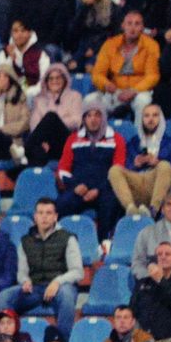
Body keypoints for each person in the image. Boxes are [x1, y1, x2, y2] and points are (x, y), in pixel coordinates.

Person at [0, 198, 81, 341]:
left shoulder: (68, 238)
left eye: (48, 213)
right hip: (35, 288)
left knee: (67, 295)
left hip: (60, 287)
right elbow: (22, 272)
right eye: (40, 213)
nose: (44, 217)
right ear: (35, 217)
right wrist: (25, 281)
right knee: (5, 296)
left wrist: (57, 282)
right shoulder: (25, 241)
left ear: (55, 216)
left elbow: (78, 272)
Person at [56, 100, 125, 240]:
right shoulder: (73, 139)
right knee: (60, 205)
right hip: (79, 188)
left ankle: (103, 245)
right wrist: (75, 186)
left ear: (103, 117)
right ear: (84, 119)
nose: (93, 119)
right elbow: (63, 169)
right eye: (89, 116)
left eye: (97, 115)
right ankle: (63, 243)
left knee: (111, 205)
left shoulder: (117, 139)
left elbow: (118, 170)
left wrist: (98, 190)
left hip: (105, 189)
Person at [89, 9, 160, 121]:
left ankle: (139, 136)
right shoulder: (110, 44)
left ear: (142, 27)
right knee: (90, 100)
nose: (133, 28)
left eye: (137, 24)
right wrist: (106, 84)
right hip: (115, 91)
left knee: (143, 101)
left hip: (139, 91)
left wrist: (134, 90)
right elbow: (97, 73)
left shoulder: (151, 45)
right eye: (129, 23)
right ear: (123, 25)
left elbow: (153, 76)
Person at [109, 103, 171, 218]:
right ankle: (131, 209)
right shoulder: (133, 142)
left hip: (157, 184)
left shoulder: (170, 143)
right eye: (146, 116)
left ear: (160, 119)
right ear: (141, 119)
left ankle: (153, 210)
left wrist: (157, 163)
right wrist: (134, 164)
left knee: (165, 165)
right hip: (136, 183)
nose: (150, 119)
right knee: (114, 170)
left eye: (155, 115)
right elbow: (125, 167)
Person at [68, 0, 121, 73]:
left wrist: (95, 48)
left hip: (103, 47)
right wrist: (84, 8)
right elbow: (73, 32)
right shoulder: (81, 7)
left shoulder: (112, 8)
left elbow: (114, 34)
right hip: (83, 48)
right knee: (71, 66)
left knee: (91, 67)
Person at [6, 0, 70, 49]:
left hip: (47, 46)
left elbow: (58, 32)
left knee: (50, 49)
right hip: (22, 44)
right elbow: (13, 26)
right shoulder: (19, 0)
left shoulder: (59, 1)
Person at [0, 19, 50, 100]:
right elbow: (1, 79)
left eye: (23, 30)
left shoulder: (41, 53)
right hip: (10, 95)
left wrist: (27, 93)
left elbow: (44, 82)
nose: (19, 34)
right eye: (15, 31)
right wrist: (10, 59)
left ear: (30, 33)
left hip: (35, 96)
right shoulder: (5, 53)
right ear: (11, 33)